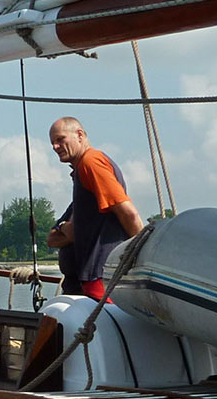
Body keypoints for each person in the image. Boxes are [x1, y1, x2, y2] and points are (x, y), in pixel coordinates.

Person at [47, 116, 144, 301]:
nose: (55, 147)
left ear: (80, 135)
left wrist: (139, 256)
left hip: (101, 279)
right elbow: (53, 239)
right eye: (52, 143)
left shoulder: (90, 163)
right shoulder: (83, 169)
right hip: (96, 279)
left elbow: (129, 213)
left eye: (60, 139)